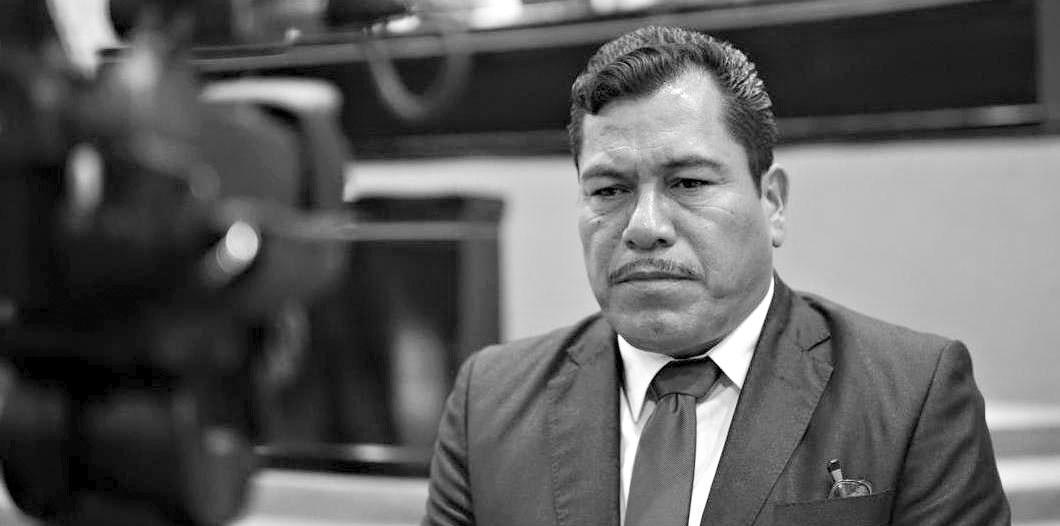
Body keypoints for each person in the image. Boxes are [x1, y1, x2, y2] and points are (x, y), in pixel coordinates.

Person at [422, 26, 1010, 526]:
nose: (644, 227)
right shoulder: (489, 402)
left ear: (772, 202)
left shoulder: (911, 396)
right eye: (609, 190)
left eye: (688, 183)